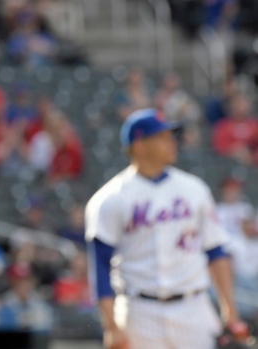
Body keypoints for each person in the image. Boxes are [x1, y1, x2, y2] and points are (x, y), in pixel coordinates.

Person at [85, 108, 249, 349]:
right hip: (139, 310)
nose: (172, 142)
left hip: (194, 307)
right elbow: (100, 267)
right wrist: (111, 325)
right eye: (162, 137)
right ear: (139, 145)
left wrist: (230, 313)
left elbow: (216, 253)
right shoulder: (109, 199)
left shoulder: (195, 189)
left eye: (171, 136)